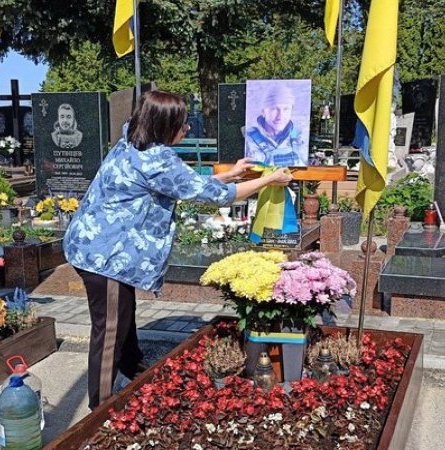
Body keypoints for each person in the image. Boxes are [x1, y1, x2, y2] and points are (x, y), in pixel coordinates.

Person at [63, 91, 293, 410]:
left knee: (121, 319)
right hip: (106, 257)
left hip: (93, 247)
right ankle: (99, 409)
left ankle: (136, 372)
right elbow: (216, 196)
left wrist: (229, 174)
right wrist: (269, 181)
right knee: (111, 330)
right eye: (183, 125)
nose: (187, 129)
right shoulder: (157, 159)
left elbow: (183, 183)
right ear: (164, 125)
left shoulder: (132, 140)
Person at [245, 83, 307, 167]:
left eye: (286, 109)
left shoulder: (301, 137)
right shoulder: (248, 139)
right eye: (274, 109)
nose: (280, 116)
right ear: (263, 111)